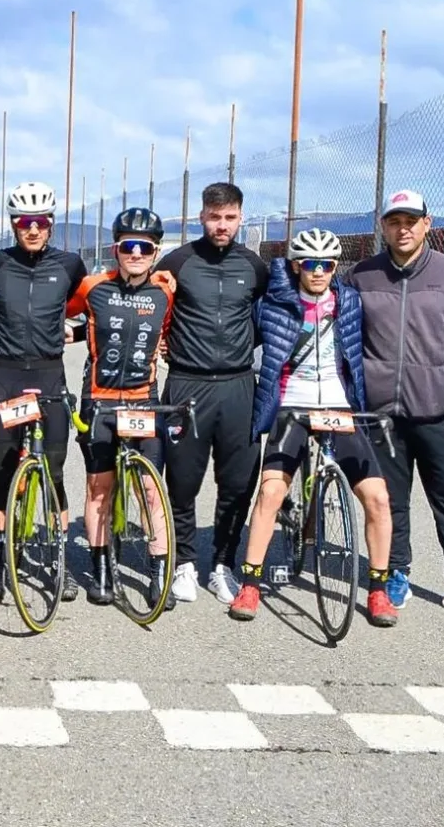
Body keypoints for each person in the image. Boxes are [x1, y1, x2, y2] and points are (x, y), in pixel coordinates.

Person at [229, 229, 397, 627]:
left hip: (339, 403)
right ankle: (250, 583)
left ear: (335, 267)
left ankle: (378, 590)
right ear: (295, 266)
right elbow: (238, 339)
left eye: (326, 264)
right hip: (292, 404)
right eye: (309, 264)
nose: (318, 272)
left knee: (377, 498)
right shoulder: (273, 304)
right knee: (270, 492)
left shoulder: (350, 301)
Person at [347, 190, 444, 622]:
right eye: (395, 221)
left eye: (412, 220)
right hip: (381, 417)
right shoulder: (362, 276)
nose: (404, 228)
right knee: (390, 501)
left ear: (427, 225)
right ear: (383, 226)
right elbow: (340, 339)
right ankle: (396, 572)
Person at [0, 181, 86, 602]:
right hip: (7, 375)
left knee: (53, 473)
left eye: (39, 222)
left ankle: (61, 563)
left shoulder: (70, 264)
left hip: (51, 374)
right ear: (13, 224)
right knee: (1, 473)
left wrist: (79, 329)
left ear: (50, 223)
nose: (31, 229)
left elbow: (95, 300)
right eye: (23, 222)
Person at [154, 181, 269, 605]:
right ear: (201, 216)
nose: (222, 225)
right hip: (187, 385)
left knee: (237, 483)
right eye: (214, 217)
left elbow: (266, 318)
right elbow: (152, 308)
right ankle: (184, 562)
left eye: (230, 218)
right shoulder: (178, 262)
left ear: (241, 217)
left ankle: (223, 565)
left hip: (239, 385)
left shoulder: (255, 266)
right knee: (183, 481)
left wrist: (240, 348)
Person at [66, 208, 175, 606]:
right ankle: (100, 572)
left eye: (143, 247)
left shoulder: (165, 290)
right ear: (115, 249)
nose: (135, 253)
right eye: (128, 246)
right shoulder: (93, 287)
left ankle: (157, 572)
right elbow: (64, 315)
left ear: (155, 251)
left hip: (144, 402)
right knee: (100, 489)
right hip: (100, 401)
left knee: (150, 489)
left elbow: (170, 330)